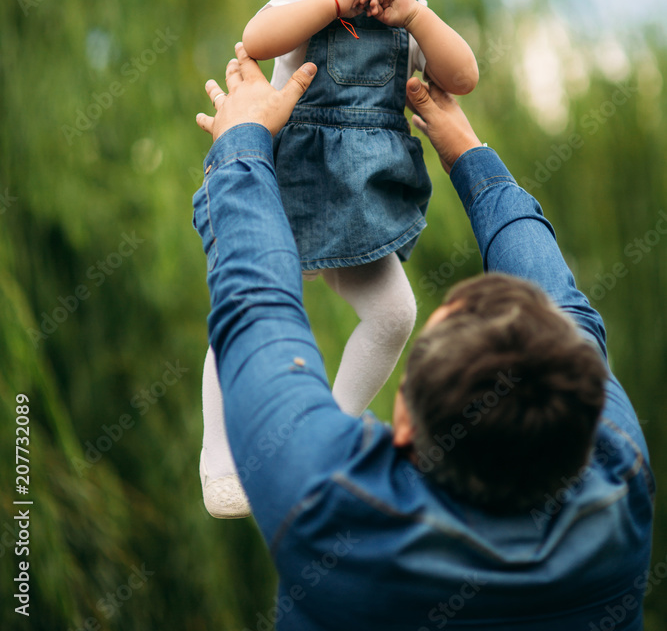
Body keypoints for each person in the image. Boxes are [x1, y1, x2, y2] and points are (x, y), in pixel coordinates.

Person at [193, 46, 654, 631]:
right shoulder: (618, 480)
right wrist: (468, 152)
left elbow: (255, 304)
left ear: (404, 422)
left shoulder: (332, 515)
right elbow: (567, 313)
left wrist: (241, 144)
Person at [200, 0, 496, 517]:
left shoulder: (408, 19)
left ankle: (331, 431)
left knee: (393, 314)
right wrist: (331, 5)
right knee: (244, 313)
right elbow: (257, 38)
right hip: (284, 184)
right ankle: (219, 460)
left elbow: (463, 75)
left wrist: (414, 17)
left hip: (360, 202)